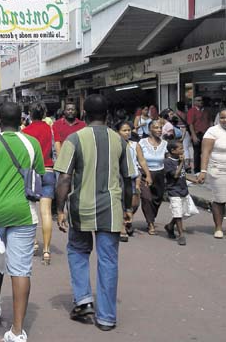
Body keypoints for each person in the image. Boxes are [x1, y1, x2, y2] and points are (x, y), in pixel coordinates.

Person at [55, 94, 134, 332]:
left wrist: (60, 209)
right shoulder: (120, 141)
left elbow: (64, 178)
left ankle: (83, 299)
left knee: (78, 250)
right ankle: (107, 317)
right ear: (107, 115)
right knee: (108, 261)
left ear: (85, 115)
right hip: (111, 209)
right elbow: (129, 179)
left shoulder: (74, 139)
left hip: (81, 208)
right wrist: (128, 208)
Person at [0, 103, 45, 342]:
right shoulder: (31, 144)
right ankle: (17, 331)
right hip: (24, 213)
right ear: (21, 121)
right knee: (21, 269)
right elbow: (38, 177)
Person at [22, 103, 55, 264]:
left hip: (32, 173)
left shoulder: (25, 131)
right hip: (48, 169)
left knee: (31, 210)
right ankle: (47, 250)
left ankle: (34, 243)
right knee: (46, 212)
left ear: (29, 113)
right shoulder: (50, 129)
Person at [115, 121, 151, 241]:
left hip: (133, 177)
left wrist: (148, 174)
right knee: (119, 202)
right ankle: (122, 227)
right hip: (119, 178)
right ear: (118, 132)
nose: (127, 133)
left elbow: (142, 161)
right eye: (124, 130)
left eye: (129, 130)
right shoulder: (114, 145)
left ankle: (127, 219)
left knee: (134, 203)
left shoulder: (135, 145)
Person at [197, 108, 226, 238]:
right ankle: (218, 228)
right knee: (220, 199)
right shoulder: (212, 131)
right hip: (218, 170)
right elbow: (205, 153)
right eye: (222, 117)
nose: (225, 120)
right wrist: (203, 171)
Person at [163, 140, 198, 246]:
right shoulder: (167, 162)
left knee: (183, 212)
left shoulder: (179, 160)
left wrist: (194, 180)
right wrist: (182, 162)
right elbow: (175, 175)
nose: (183, 150)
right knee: (177, 213)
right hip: (174, 191)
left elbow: (183, 174)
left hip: (183, 190)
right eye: (180, 149)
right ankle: (181, 235)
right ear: (173, 151)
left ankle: (170, 226)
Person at [138, 120, 167, 235]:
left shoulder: (165, 144)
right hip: (145, 173)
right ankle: (150, 223)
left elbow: (168, 159)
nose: (159, 130)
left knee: (157, 199)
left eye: (160, 128)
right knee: (146, 198)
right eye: (156, 128)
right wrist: (147, 174)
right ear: (150, 129)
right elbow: (141, 159)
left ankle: (151, 217)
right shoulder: (142, 142)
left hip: (160, 174)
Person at [188, 96, 212, 173]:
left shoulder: (206, 111)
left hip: (207, 134)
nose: (200, 102)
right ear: (194, 102)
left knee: (207, 152)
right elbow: (190, 124)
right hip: (197, 134)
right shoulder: (191, 111)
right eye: (198, 100)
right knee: (197, 153)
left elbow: (210, 121)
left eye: (201, 100)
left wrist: (211, 133)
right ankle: (197, 171)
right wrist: (194, 136)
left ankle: (205, 169)